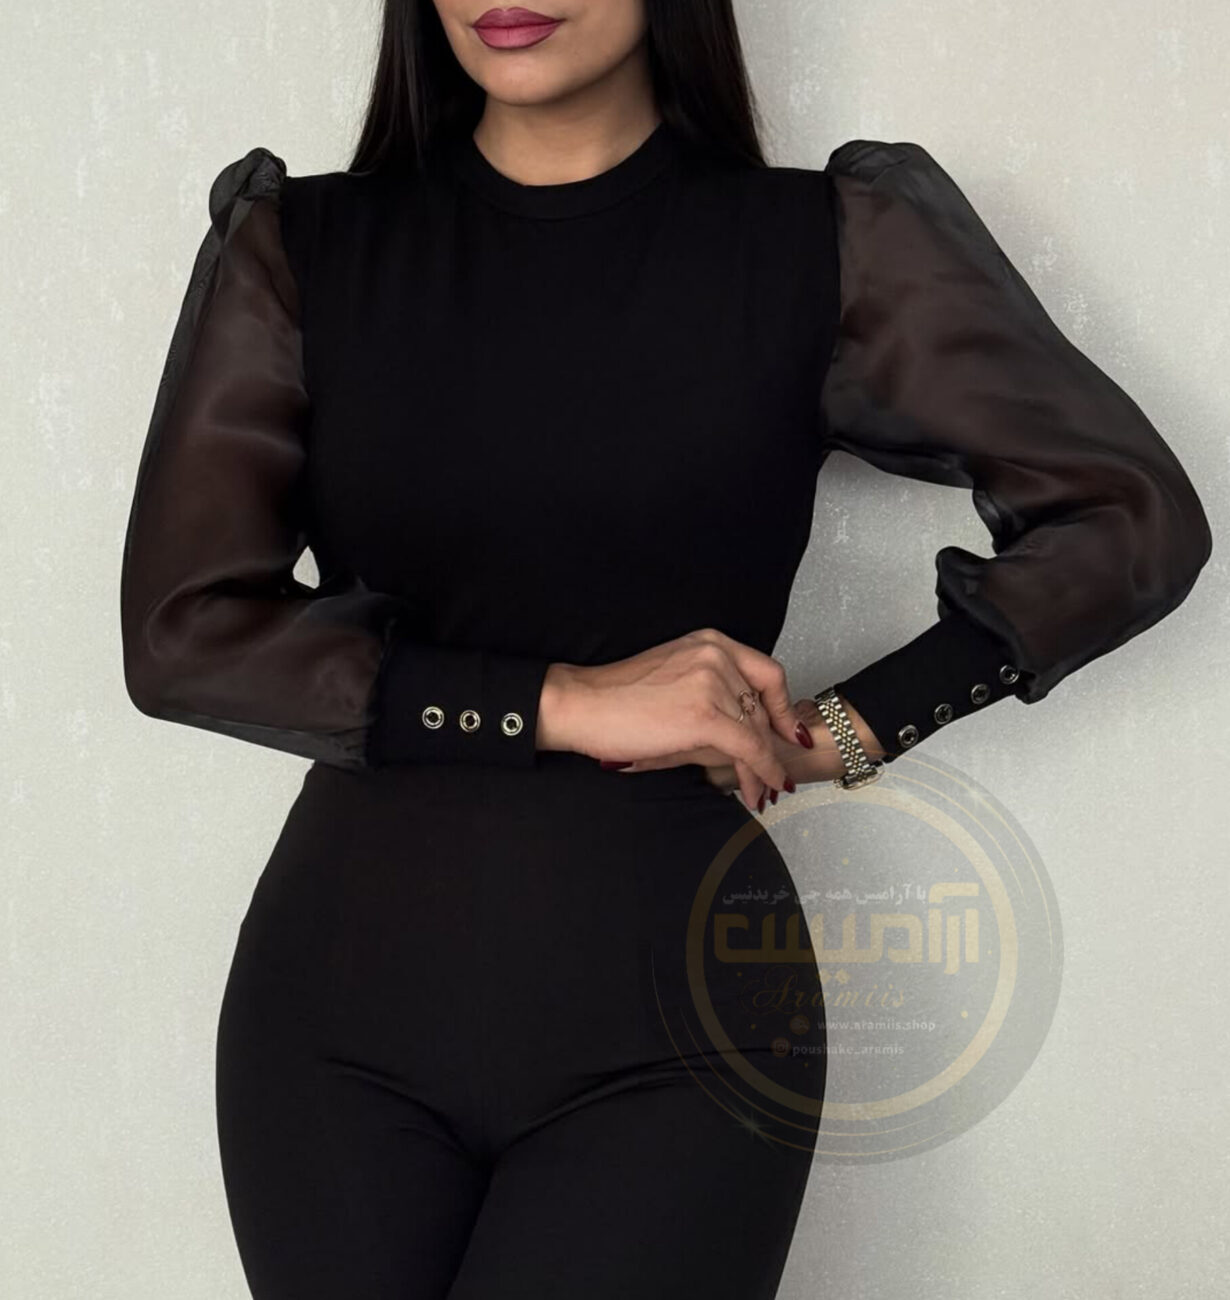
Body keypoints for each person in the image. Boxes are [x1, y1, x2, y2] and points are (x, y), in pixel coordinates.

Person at [118, 1, 1212, 1296]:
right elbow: (182, 632)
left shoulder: (825, 246)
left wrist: (850, 729)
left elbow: (1128, 516)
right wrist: (563, 700)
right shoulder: (300, 249)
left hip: (673, 1033)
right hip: (334, 1031)